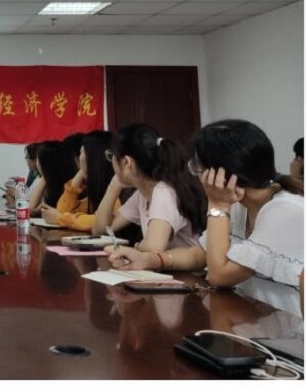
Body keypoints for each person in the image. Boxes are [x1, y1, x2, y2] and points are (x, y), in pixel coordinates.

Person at [109, 120, 304, 301]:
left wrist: (218, 205)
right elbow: (199, 255)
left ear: (220, 175)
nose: (196, 176)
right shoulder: (240, 205)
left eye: (197, 168)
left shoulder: (284, 211)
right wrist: (149, 259)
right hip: (254, 316)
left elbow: (220, 276)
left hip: (288, 323)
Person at [94, 123, 206, 252]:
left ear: (126, 162)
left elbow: (153, 247)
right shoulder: (142, 195)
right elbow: (101, 229)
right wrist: (114, 187)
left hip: (189, 266)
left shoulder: (163, 191)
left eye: (111, 157)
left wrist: (136, 247)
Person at [41, 130, 114, 231]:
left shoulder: (116, 187)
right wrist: (82, 172)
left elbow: (98, 222)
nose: (78, 159)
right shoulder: (98, 187)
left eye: (81, 153)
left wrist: (60, 218)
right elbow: (63, 210)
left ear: (92, 158)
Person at [27, 140, 76, 214]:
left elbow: (29, 209)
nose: (37, 163)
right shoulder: (49, 181)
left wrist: (45, 175)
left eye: (38, 159)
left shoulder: (71, 184)